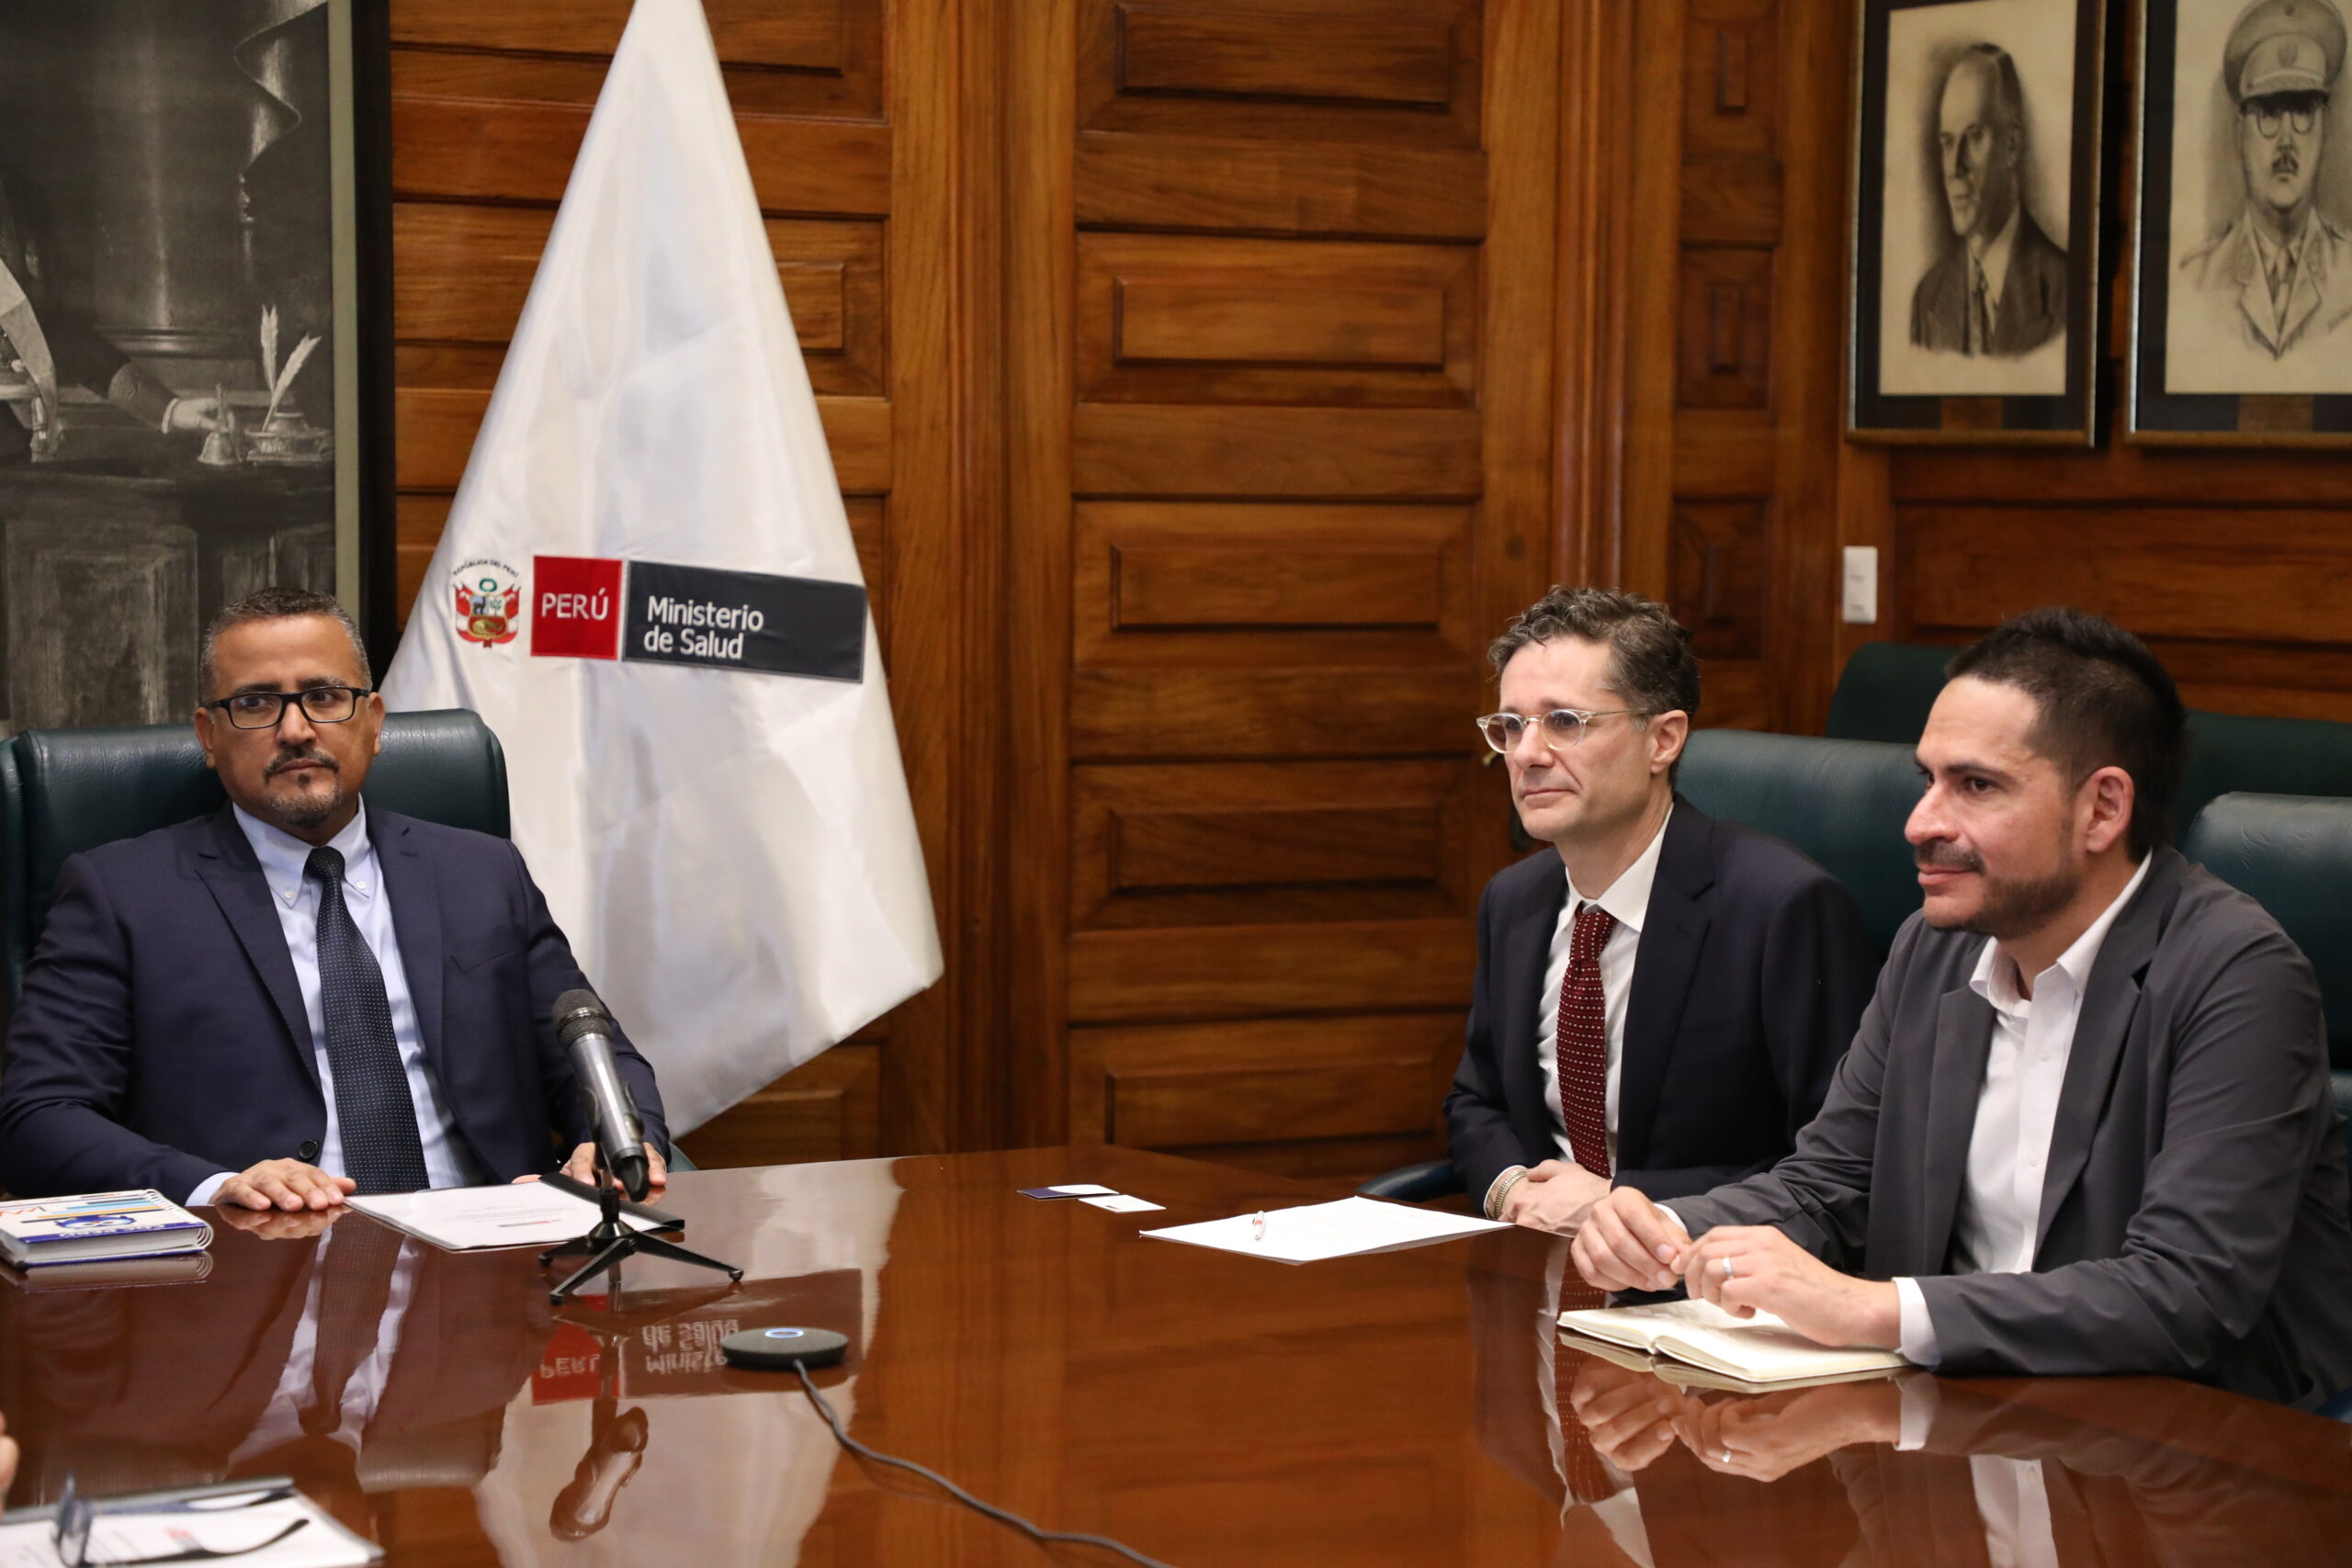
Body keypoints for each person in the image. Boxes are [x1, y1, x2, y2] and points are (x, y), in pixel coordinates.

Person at [1573, 608, 2352, 1408]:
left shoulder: (2238, 974)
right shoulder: (1934, 948)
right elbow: (1831, 1183)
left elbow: (2184, 1292)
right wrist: (1666, 1227)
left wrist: (1875, 1309)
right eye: (1929, 780)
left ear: (2102, 809)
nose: (1921, 823)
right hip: (1960, 1416)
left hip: (2189, 1438)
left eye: (1976, 786)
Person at [0, 587, 668, 1209]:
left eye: (324, 696)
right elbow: (37, 1117)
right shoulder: (121, 894)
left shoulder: (483, 872)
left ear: (373, 721)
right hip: (260, 1260)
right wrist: (216, 1186)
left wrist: (611, 1143)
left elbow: (596, 1055)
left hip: (497, 1252)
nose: (296, 729)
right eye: (256, 703)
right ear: (208, 735)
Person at [1445, 589, 1876, 1234]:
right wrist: (1510, 1189)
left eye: (1563, 721)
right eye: (1511, 725)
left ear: (1663, 740)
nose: (1527, 753)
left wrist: (1621, 1201)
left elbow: (1838, 1169)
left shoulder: (1782, 907)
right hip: (1535, 1253)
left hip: (1701, 1265)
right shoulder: (1514, 899)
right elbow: (1477, 1100)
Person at [2179, 0, 2352, 359]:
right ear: (2240, 133)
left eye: (2303, 111)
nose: (2287, 140)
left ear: (2324, 128)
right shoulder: (2196, 281)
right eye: (2270, 113)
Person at [1910, 45, 2068, 357]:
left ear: (2012, 145)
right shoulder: (1927, 299)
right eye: (1948, 142)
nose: (1955, 167)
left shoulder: (2065, 290)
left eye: (1974, 136)